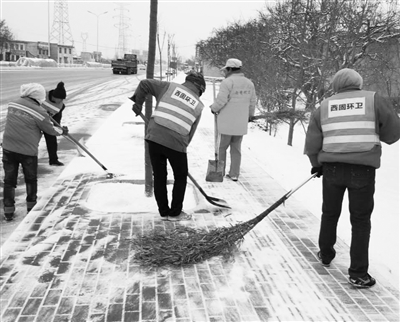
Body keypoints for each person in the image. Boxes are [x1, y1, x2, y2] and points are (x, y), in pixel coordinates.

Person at [304, 68, 400, 288]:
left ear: (336, 84)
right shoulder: (373, 99)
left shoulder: (324, 106)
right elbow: (394, 132)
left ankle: (326, 254)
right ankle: (358, 273)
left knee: (329, 213)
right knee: (360, 221)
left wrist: (316, 165)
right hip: (362, 171)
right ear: (358, 83)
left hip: (332, 169)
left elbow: (312, 143)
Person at [129, 71, 206, 221]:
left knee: (159, 176)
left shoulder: (168, 87)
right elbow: (191, 132)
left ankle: (164, 212)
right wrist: (181, 149)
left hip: (155, 136)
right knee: (180, 176)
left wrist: (139, 103)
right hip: (177, 142)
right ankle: (175, 213)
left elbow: (144, 84)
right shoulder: (198, 105)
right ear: (200, 89)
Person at [2, 83, 68, 221]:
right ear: (38, 96)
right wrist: (62, 131)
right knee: (30, 179)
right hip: (27, 151)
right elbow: (50, 130)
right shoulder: (40, 112)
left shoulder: (12, 104)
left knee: (9, 181)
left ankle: (8, 211)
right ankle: (31, 208)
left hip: (8, 148)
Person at [210, 58, 256, 181]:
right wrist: (250, 116)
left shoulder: (228, 82)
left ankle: (220, 172)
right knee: (236, 149)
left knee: (222, 148)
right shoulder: (249, 83)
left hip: (227, 123)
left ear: (230, 69)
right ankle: (234, 173)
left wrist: (214, 108)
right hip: (240, 123)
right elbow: (252, 102)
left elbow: (221, 100)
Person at [42, 81, 67, 166]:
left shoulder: (61, 106)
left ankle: (53, 160)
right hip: (34, 121)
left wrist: (58, 129)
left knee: (52, 140)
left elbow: (57, 118)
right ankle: (26, 162)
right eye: (59, 99)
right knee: (30, 141)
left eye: (62, 99)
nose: (61, 101)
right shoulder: (42, 96)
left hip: (48, 122)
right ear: (54, 96)